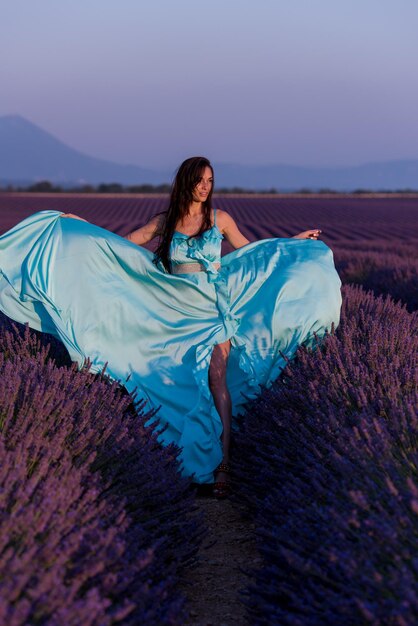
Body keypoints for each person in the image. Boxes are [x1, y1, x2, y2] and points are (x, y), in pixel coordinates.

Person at [0, 156, 341, 497]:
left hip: (212, 309)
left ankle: (223, 465)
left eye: (210, 180)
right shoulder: (166, 221)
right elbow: (122, 244)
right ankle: (186, 459)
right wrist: (81, 225)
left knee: (216, 380)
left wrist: (293, 243)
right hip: (175, 311)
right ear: (186, 182)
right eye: (200, 180)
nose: (206, 186)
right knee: (180, 383)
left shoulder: (220, 219)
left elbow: (252, 252)